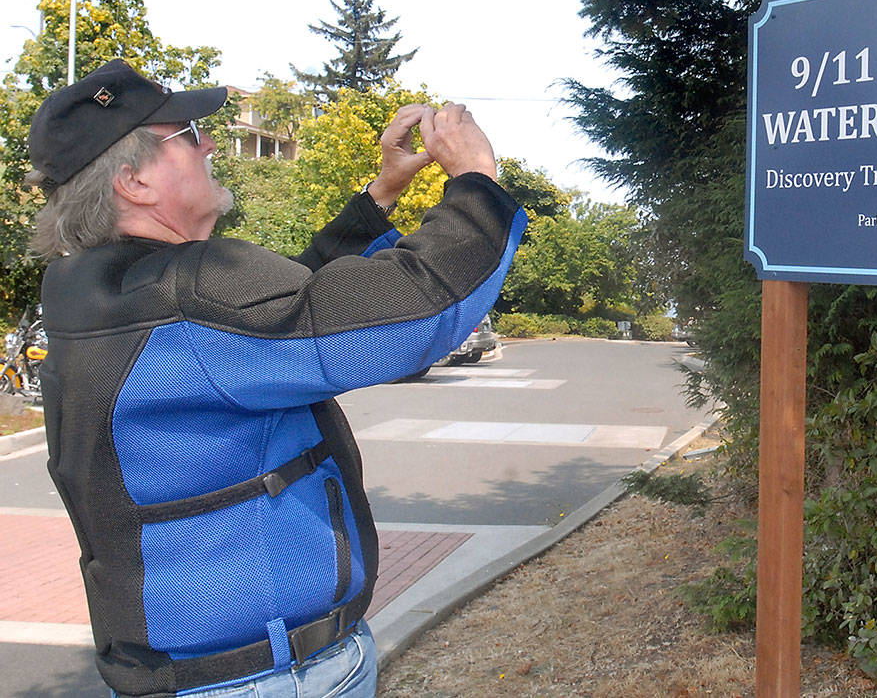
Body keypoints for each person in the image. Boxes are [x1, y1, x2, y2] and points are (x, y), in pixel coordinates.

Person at [25, 58, 527, 698]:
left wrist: (381, 195)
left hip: (203, 673)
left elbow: (278, 314)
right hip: (268, 679)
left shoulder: (104, 289)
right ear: (133, 182)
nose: (209, 143)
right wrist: (476, 180)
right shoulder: (188, 291)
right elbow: (417, 311)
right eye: (187, 136)